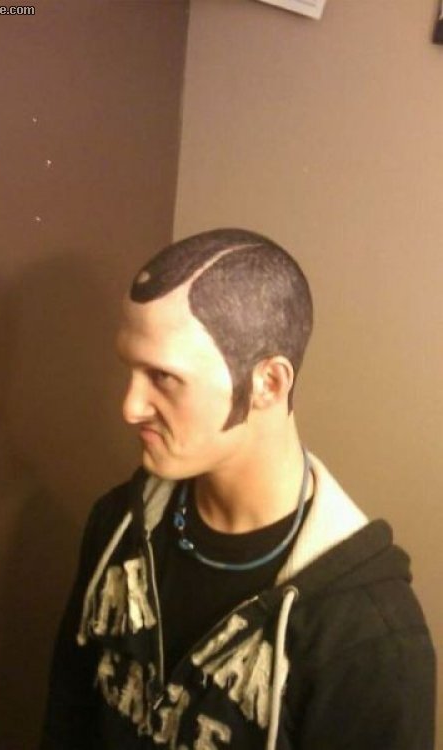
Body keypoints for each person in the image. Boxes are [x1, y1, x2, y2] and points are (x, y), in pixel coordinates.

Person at [40, 228, 435, 750]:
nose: (130, 407)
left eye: (162, 377)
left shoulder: (369, 637)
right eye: (130, 369)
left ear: (268, 383)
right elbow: (67, 722)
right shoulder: (118, 526)